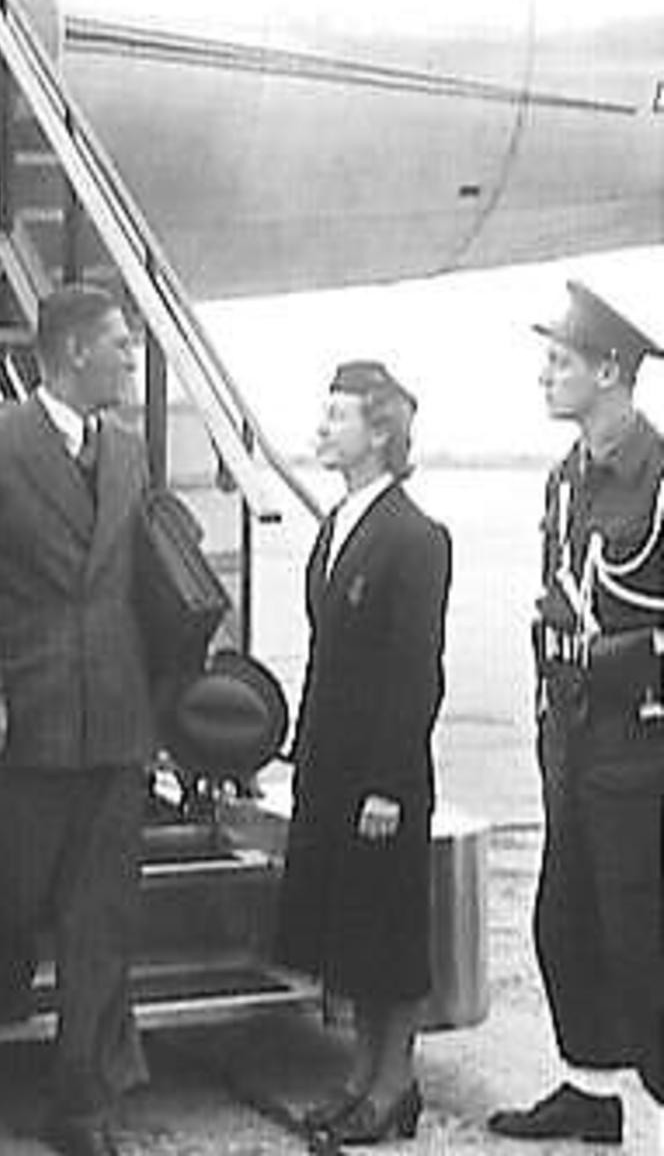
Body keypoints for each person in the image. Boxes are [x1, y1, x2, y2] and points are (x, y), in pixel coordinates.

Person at [0, 284, 152, 1156]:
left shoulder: (128, 450)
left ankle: (80, 1102)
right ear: (74, 352)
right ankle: (5, 963)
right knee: (7, 887)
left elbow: (140, 576)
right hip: (20, 720)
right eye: (119, 344)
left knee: (101, 920)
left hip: (114, 722)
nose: (130, 359)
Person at [487, 281, 664, 1144]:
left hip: (642, 737)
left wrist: (631, 661)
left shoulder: (659, 479)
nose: (544, 376)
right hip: (571, 732)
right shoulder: (567, 478)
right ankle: (592, 1091)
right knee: (568, 918)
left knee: (643, 927)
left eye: (560, 362)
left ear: (610, 370)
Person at [275, 360, 452, 1148]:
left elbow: (416, 672)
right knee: (349, 928)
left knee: (387, 931)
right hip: (330, 764)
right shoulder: (336, 524)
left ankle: (394, 1083)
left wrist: (387, 784)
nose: (322, 428)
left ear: (380, 433)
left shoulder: (416, 537)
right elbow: (327, 656)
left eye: (337, 416)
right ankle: (359, 1076)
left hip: (384, 773)